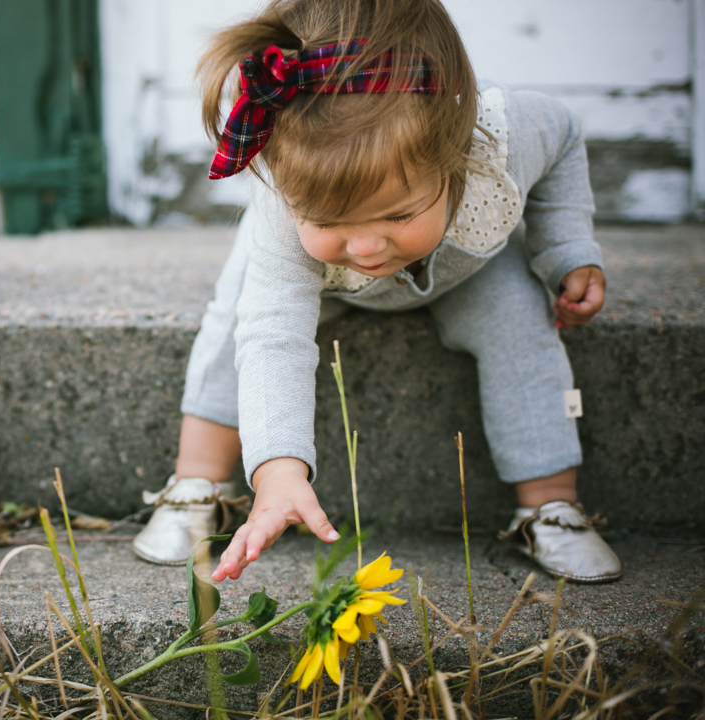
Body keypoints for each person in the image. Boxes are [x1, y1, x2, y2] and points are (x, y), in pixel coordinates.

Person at [131, 0, 621, 584]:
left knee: (520, 317)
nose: (366, 246)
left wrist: (565, 250)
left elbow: (566, 136)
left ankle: (550, 504)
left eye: (398, 213)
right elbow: (273, 342)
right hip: (322, 281)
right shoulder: (285, 223)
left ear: (454, 147)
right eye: (329, 220)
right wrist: (279, 470)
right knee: (238, 319)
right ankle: (198, 480)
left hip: (466, 266)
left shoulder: (507, 135)